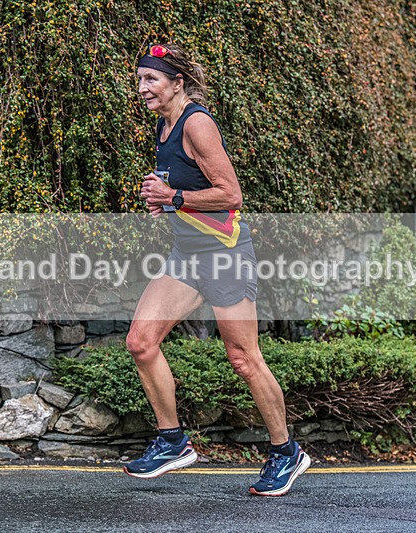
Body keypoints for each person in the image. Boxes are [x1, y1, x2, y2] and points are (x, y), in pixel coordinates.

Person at [123, 43, 310, 497]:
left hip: (225, 255)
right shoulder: (164, 127)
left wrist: (175, 199)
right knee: (141, 343)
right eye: (140, 80)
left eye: (151, 80)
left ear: (177, 83)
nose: (142, 88)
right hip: (187, 256)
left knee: (244, 359)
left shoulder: (197, 124)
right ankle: (173, 441)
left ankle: (287, 452)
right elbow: (185, 186)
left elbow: (231, 194)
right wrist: (163, 200)